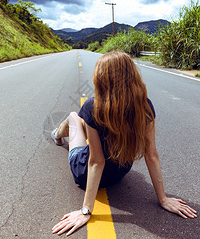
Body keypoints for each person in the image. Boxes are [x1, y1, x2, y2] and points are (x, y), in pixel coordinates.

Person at [52, 51, 197, 237]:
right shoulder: (145, 106)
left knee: (74, 117)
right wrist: (163, 199)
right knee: (88, 121)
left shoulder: (92, 105)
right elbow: (151, 155)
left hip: (83, 172)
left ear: (101, 78)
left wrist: (85, 211)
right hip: (119, 172)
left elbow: (96, 162)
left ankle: (56, 134)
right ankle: (70, 131)